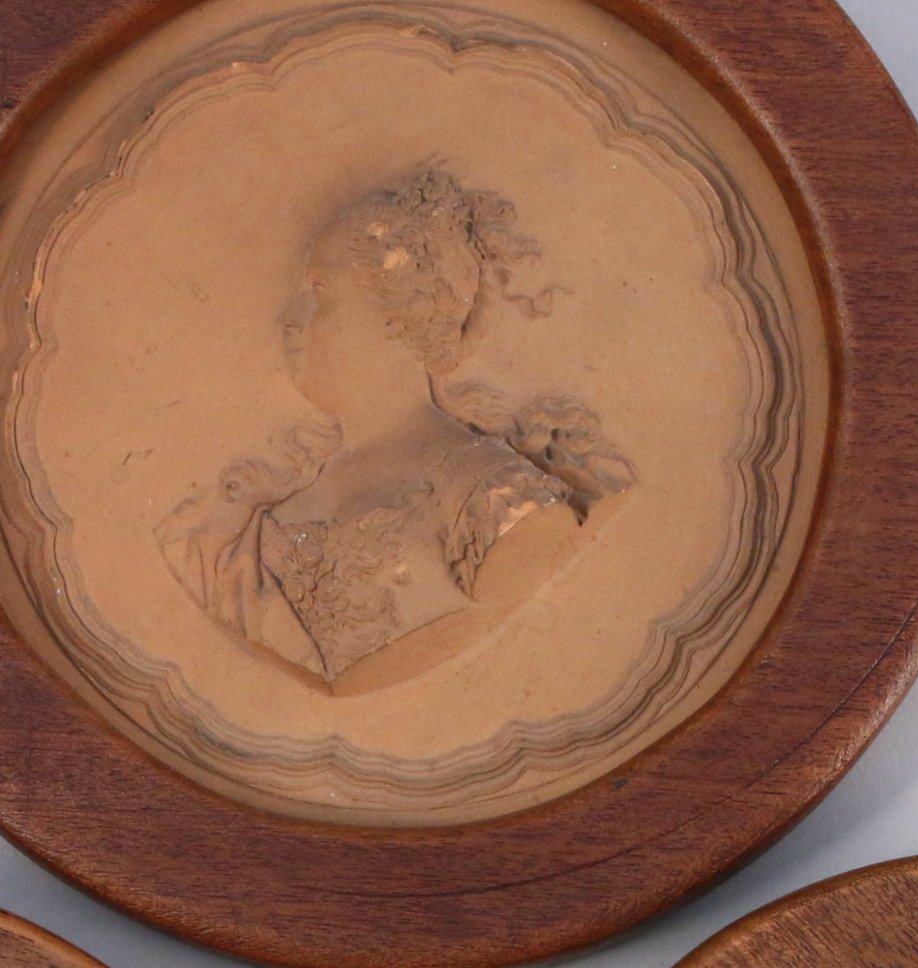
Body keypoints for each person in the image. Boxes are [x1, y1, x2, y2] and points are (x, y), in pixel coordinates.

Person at [159, 162, 631, 684]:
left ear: (400, 312)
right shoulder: (261, 518)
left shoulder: (494, 497)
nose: (291, 318)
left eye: (320, 290)